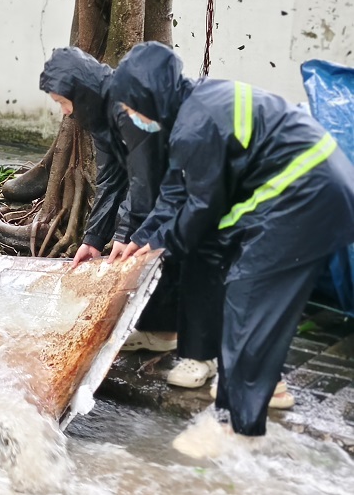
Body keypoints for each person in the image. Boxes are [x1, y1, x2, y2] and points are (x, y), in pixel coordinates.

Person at [111, 44, 354, 444]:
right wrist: (141, 238)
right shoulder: (191, 108)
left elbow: (204, 207)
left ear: (147, 97)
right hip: (312, 188)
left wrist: (162, 246)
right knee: (252, 288)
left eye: (132, 107)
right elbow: (175, 191)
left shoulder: (196, 123)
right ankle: (265, 389)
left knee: (249, 289)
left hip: (308, 193)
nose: (132, 117)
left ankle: (233, 426)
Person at [39, 46, 224, 390]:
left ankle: (204, 352)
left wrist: (127, 233)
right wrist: (93, 240)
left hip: (186, 186)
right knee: (146, 249)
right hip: (163, 191)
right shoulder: (97, 116)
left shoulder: (127, 105)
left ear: (80, 91)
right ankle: (161, 330)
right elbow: (112, 180)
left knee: (186, 250)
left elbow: (145, 180)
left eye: (63, 102)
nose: (65, 112)